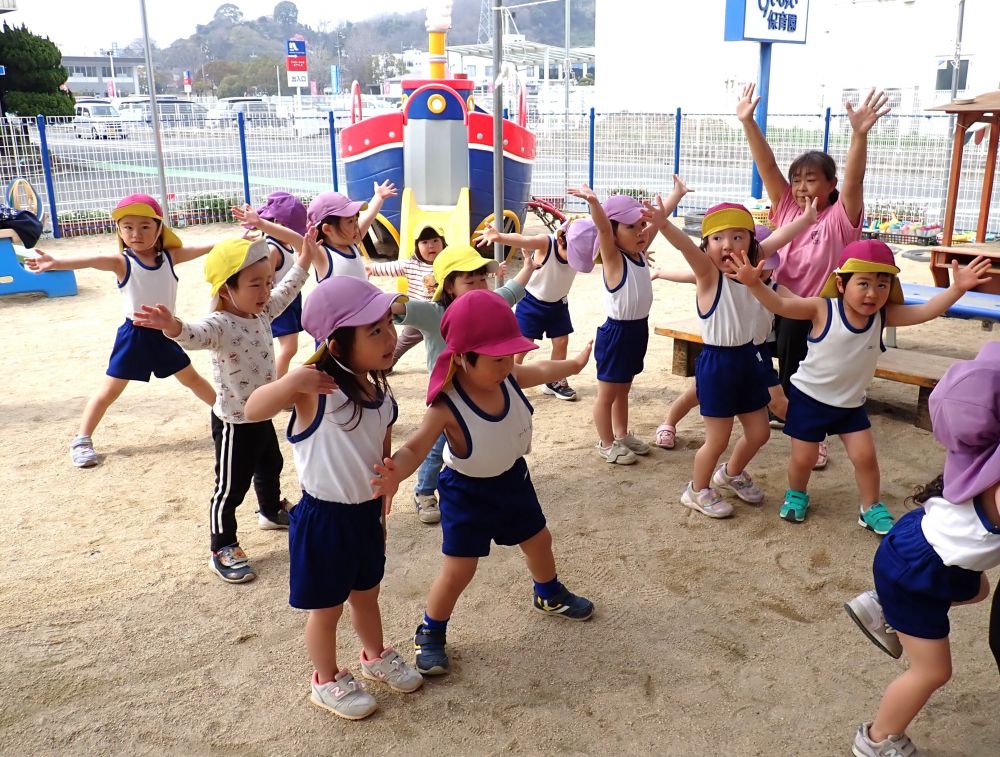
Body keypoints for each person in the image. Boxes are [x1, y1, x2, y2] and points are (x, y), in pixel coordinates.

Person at [371, 289, 594, 676]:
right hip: (466, 493)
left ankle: (548, 593)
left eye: (510, 355)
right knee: (460, 569)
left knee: (539, 540)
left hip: (512, 481)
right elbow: (414, 448)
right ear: (462, 358)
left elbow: (540, 371)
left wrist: (573, 365)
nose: (507, 365)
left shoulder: (509, 378)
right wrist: (394, 476)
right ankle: (431, 630)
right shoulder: (447, 405)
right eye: (496, 359)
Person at [244, 276, 423, 721]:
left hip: (365, 517)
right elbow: (252, 409)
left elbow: (381, 451)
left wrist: (390, 485)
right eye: (374, 331)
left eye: (388, 325)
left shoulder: (379, 394)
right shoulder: (314, 389)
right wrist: (289, 383)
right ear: (337, 344)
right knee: (326, 608)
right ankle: (325, 680)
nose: (389, 338)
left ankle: (374, 656)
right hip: (324, 519)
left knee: (367, 594)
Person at [731, 240, 990, 529]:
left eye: (882, 285)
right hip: (809, 399)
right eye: (863, 283)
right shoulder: (822, 309)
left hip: (851, 404)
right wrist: (755, 285)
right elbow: (781, 304)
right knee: (803, 458)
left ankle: (870, 507)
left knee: (865, 457)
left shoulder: (883, 316)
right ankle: (796, 494)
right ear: (841, 284)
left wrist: (957, 289)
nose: (873, 293)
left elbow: (926, 311)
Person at [842, 341, 1000, 757]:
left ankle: (882, 605)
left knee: (978, 590)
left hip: (918, 543)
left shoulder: (977, 446)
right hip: (922, 570)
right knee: (933, 671)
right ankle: (876, 739)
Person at [132, 235, 313, 583]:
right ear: (227, 289)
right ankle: (222, 545)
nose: (265, 291)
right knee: (230, 486)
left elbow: (287, 291)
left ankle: (271, 510)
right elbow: (194, 334)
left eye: (267, 282)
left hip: (263, 413)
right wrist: (172, 326)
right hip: (234, 421)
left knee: (270, 463)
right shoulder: (221, 324)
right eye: (255, 284)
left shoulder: (260, 312)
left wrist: (303, 262)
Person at [737, 84, 891, 470]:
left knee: (826, 374)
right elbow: (767, 166)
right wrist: (748, 122)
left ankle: (816, 431)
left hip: (829, 312)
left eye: (812, 179)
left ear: (830, 186)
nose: (802, 186)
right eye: (798, 179)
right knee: (793, 371)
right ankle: (801, 426)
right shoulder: (787, 206)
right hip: (789, 306)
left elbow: (854, 181)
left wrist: (859, 135)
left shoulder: (842, 218)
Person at [654, 187, 818, 517]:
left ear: (752, 245)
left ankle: (729, 474)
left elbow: (779, 238)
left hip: (750, 360)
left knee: (758, 433)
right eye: (717, 239)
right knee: (716, 439)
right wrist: (664, 224)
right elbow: (687, 248)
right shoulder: (708, 275)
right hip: (718, 364)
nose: (728, 244)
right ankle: (696, 490)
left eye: (737, 237)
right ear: (707, 247)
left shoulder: (754, 270)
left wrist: (807, 219)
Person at [25, 194, 216, 468]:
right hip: (134, 337)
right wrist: (56, 262)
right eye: (127, 226)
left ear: (159, 228)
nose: (135, 233)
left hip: (165, 333)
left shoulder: (170, 257)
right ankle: (81, 439)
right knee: (109, 391)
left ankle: (228, 415)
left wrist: (237, 240)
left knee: (193, 379)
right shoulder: (122, 262)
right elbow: (93, 259)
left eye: (144, 226)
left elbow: (205, 247)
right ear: (119, 230)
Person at [391, 244, 537, 524]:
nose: (480, 286)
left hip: (480, 389)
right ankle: (424, 492)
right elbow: (402, 309)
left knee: (471, 439)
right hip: (448, 392)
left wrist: (528, 268)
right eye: (469, 281)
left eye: (483, 279)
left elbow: (510, 293)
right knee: (436, 443)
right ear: (448, 287)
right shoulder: (434, 313)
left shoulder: (488, 308)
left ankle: (480, 477)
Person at [565, 183, 684, 465]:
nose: (641, 231)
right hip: (616, 334)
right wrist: (594, 203)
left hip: (636, 331)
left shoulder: (639, 254)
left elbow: (657, 222)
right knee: (607, 394)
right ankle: (606, 443)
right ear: (615, 233)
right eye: (631, 227)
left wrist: (676, 196)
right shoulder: (614, 259)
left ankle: (621, 434)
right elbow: (604, 230)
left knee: (624, 389)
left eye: (641, 224)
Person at [473, 219, 580, 400]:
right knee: (522, 345)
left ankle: (554, 381)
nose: (579, 258)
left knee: (561, 342)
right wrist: (499, 237)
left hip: (559, 302)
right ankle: (510, 381)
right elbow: (523, 240)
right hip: (532, 301)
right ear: (562, 241)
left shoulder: (582, 249)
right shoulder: (547, 243)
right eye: (575, 253)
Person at [233, 182, 396, 283]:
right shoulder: (321, 253)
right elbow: (293, 237)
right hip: (336, 331)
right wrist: (261, 223)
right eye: (350, 221)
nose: (356, 226)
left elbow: (368, 216)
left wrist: (379, 197)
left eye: (355, 219)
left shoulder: (353, 242)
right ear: (327, 229)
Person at [365, 225, 445, 367]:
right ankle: (388, 365)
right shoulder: (411, 265)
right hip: (417, 314)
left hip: (441, 314)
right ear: (417, 246)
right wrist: (372, 269)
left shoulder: (448, 264)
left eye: (435, 240)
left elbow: (469, 271)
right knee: (403, 342)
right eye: (424, 242)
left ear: (443, 243)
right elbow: (392, 267)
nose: (431, 246)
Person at [249, 191, 309, 379]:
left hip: (291, 300)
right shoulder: (273, 248)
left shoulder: (287, 245)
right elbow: (265, 278)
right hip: (280, 302)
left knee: (290, 348)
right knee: (289, 348)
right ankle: (277, 388)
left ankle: (277, 385)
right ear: (277, 224)